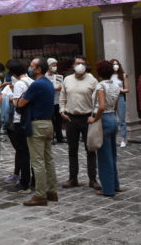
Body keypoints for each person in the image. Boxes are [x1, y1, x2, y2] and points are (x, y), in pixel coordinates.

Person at [17, 57, 57, 206]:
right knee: (49, 159)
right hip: (48, 123)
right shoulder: (48, 83)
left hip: (37, 125)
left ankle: (40, 194)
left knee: (37, 161)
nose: (30, 68)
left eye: (32, 66)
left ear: (39, 69)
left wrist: (16, 101)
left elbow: (21, 102)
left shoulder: (36, 85)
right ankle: (52, 191)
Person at [60, 55, 100, 189]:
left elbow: (98, 100)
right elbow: (62, 96)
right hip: (71, 118)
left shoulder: (92, 80)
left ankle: (93, 179)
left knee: (90, 149)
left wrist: (94, 115)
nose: (80, 65)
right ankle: (73, 178)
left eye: (82, 63)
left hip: (87, 118)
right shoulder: (67, 79)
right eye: (78, 63)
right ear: (73, 66)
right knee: (72, 149)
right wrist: (62, 111)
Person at [90, 60, 122, 197]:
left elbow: (101, 106)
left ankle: (108, 188)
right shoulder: (116, 86)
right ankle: (115, 184)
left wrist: (94, 118)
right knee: (112, 155)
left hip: (103, 119)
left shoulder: (101, 86)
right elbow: (115, 106)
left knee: (104, 156)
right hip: (113, 118)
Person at [7, 59, 33, 193]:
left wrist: (11, 99)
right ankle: (33, 180)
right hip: (30, 119)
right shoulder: (32, 81)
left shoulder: (19, 84)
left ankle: (24, 182)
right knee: (31, 152)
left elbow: (17, 103)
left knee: (22, 152)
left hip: (19, 120)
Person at [110, 59, 130, 147]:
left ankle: (123, 139)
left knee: (122, 120)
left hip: (120, 97)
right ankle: (112, 138)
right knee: (112, 119)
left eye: (117, 64)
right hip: (110, 98)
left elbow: (127, 89)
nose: (115, 66)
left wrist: (120, 90)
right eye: (113, 64)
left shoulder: (123, 75)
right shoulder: (109, 76)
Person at [45, 58, 65, 144]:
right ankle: (51, 137)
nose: (55, 67)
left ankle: (59, 137)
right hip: (49, 101)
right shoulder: (45, 76)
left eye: (56, 65)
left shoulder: (58, 76)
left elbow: (63, 86)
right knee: (51, 119)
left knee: (59, 120)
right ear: (48, 66)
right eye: (53, 65)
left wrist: (61, 87)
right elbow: (45, 87)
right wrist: (54, 88)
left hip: (58, 100)